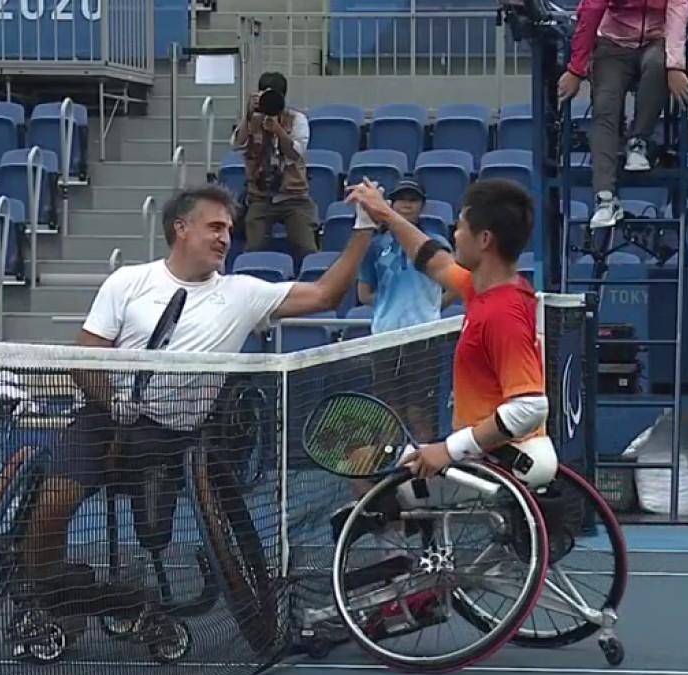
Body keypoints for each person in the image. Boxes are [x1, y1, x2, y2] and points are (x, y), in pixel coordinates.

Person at [17, 182, 378, 626]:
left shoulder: (244, 293)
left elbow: (325, 295)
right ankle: (52, 590)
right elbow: (84, 354)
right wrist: (112, 401)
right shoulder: (128, 282)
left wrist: (363, 228)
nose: (225, 236)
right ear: (181, 229)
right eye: (214, 227)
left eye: (228, 228)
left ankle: (123, 595)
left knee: (155, 534)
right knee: (53, 503)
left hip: (173, 436)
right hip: (107, 419)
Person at [345, 177, 559, 488]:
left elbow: (530, 407)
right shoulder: (485, 288)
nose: (454, 236)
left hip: (498, 461)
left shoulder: (501, 313)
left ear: (484, 239)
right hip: (491, 451)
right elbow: (434, 260)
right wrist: (386, 215)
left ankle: (399, 531)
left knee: (362, 463)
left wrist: (448, 449)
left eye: (460, 227)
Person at [558, 0, 688, 229]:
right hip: (612, 43)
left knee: (658, 65)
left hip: (655, 40)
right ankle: (605, 199)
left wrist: (675, 66)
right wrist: (576, 69)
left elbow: (678, 12)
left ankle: (638, 141)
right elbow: (591, 10)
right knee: (604, 108)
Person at [356, 178, 451, 453]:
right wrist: (389, 305)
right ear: (391, 204)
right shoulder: (375, 247)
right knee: (388, 411)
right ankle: (389, 473)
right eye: (401, 199)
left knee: (420, 410)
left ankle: (427, 473)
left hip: (424, 338)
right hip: (385, 338)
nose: (407, 204)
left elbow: (457, 282)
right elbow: (364, 293)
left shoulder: (436, 244)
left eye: (413, 199)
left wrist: (433, 307)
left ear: (422, 206)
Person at [231, 71, 320, 255]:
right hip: (260, 197)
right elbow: (236, 145)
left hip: (294, 197)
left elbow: (296, 154)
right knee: (253, 250)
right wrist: (248, 116)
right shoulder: (251, 120)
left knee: (307, 248)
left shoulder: (297, 119)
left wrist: (278, 131)